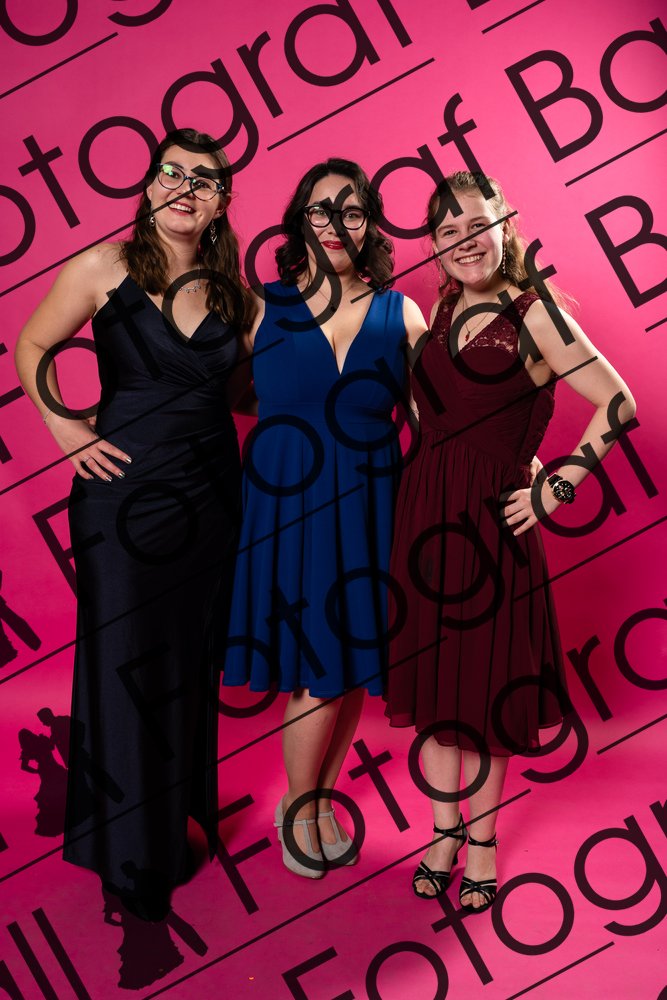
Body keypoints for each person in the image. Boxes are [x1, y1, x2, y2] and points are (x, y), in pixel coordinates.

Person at [15, 128, 253, 920]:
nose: (185, 188)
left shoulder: (234, 296)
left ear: (220, 204)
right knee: (123, 662)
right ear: (149, 187)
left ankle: (169, 823)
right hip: (121, 500)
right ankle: (127, 855)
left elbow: (248, 395)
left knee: (184, 666)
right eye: (171, 173)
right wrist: (64, 428)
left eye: (203, 181)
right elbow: (32, 343)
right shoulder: (101, 267)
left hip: (210, 501)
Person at [385, 171, 635, 911]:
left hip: (491, 530)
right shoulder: (439, 311)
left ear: (505, 227)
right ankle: (441, 834)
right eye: (447, 230)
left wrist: (555, 489)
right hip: (421, 518)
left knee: (485, 694)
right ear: (435, 247)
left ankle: (483, 844)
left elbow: (616, 402)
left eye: (477, 224)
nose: (464, 240)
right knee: (435, 689)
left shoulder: (536, 313)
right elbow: (436, 415)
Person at [223, 158, 427, 877]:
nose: (335, 223)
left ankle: (312, 801)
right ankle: (301, 805)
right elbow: (220, 393)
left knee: (347, 664)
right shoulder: (260, 309)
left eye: (351, 210)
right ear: (298, 222)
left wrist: (517, 455)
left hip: (370, 505)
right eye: (320, 209)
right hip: (286, 506)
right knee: (319, 665)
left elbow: (437, 413)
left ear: (369, 225)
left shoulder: (401, 312)